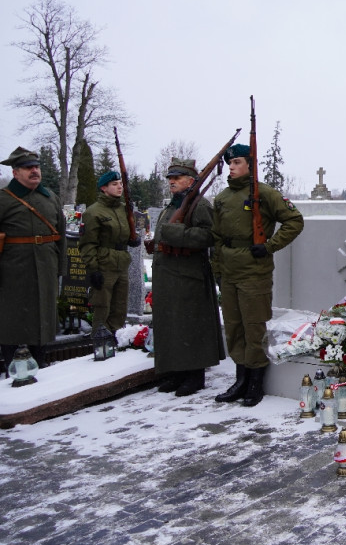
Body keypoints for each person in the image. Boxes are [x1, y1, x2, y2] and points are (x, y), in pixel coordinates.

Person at [212, 144, 303, 407]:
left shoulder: (265, 194)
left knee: (254, 326)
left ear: (250, 164)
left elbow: (294, 221)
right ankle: (240, 379)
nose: (232, 167)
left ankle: (255, 382)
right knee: (233, 326)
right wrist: (217, 270)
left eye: (237, 162)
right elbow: (217, 238)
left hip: (254, 271)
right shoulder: (222, 198)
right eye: (230, 163)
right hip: (229, 271)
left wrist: (269, 246)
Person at [149, 158, 225, 396]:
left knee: (190, 324)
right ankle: (177, 372)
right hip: (168, 273)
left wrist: (177, 234)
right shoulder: (171, 206)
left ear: (191, 181)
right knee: (172, 325)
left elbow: (209, 236)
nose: (172, 182)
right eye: (170, 178)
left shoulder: (198, 205)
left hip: (188, 273)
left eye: (177, 178)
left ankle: (194, 376)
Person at [0, 146, 65, 371]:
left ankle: (41, 362)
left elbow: (61, 235)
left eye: (36, 167)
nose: (34, 171)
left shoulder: (50, 198)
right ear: (15, 172)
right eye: (28, 168)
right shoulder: (4, 199)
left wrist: (60, 268)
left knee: (43, 316)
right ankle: (14, 368)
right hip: (13, 269)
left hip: (46, 265)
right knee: (13, 319)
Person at [79, 171, 138, 336]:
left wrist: (133, 239)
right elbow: (87, 244)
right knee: (102, 307)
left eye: (120, 183)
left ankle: (117, 341)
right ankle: (100, 345)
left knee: (119, 308)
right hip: (104, 264)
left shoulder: (123, 209)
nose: (119, 186)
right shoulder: (93, 212)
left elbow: (124, 233)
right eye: (114, 184)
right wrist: (93, 269)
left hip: (121, 263)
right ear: (104, 188)